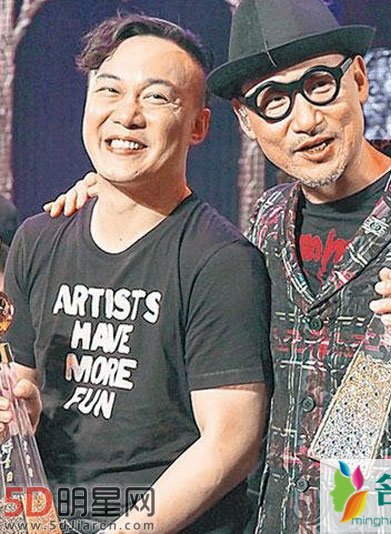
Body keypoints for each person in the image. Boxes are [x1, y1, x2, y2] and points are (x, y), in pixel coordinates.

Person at [46, 1, 391, 532]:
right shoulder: (267, 221)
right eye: (273, 101)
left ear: (358, 79)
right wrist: (119, 195)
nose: (304, 121)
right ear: (247, 121)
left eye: (320, 85)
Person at [2, 14, 271, 534]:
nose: (126, 115)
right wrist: (19, 415)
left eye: (156, 97)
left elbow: (230, 446)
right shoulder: (38, 239)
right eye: (109, 90)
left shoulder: (221, 261)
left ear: (198, 126)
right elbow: (24, 393)